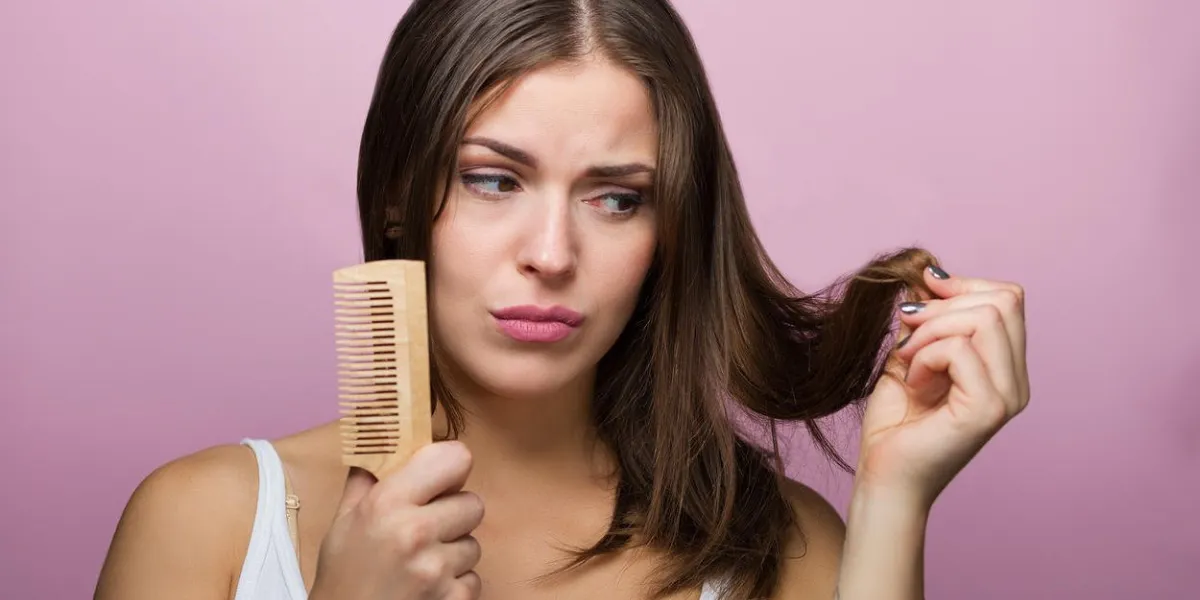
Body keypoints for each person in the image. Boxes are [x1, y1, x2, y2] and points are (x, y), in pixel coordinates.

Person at [94, 0, 1031, 599]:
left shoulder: (781, 549)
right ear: (396, 199)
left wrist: (896, 498)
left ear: (667, 237)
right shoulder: (208, 520)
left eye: (617, 198)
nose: (551, 254)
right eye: (494, 180)